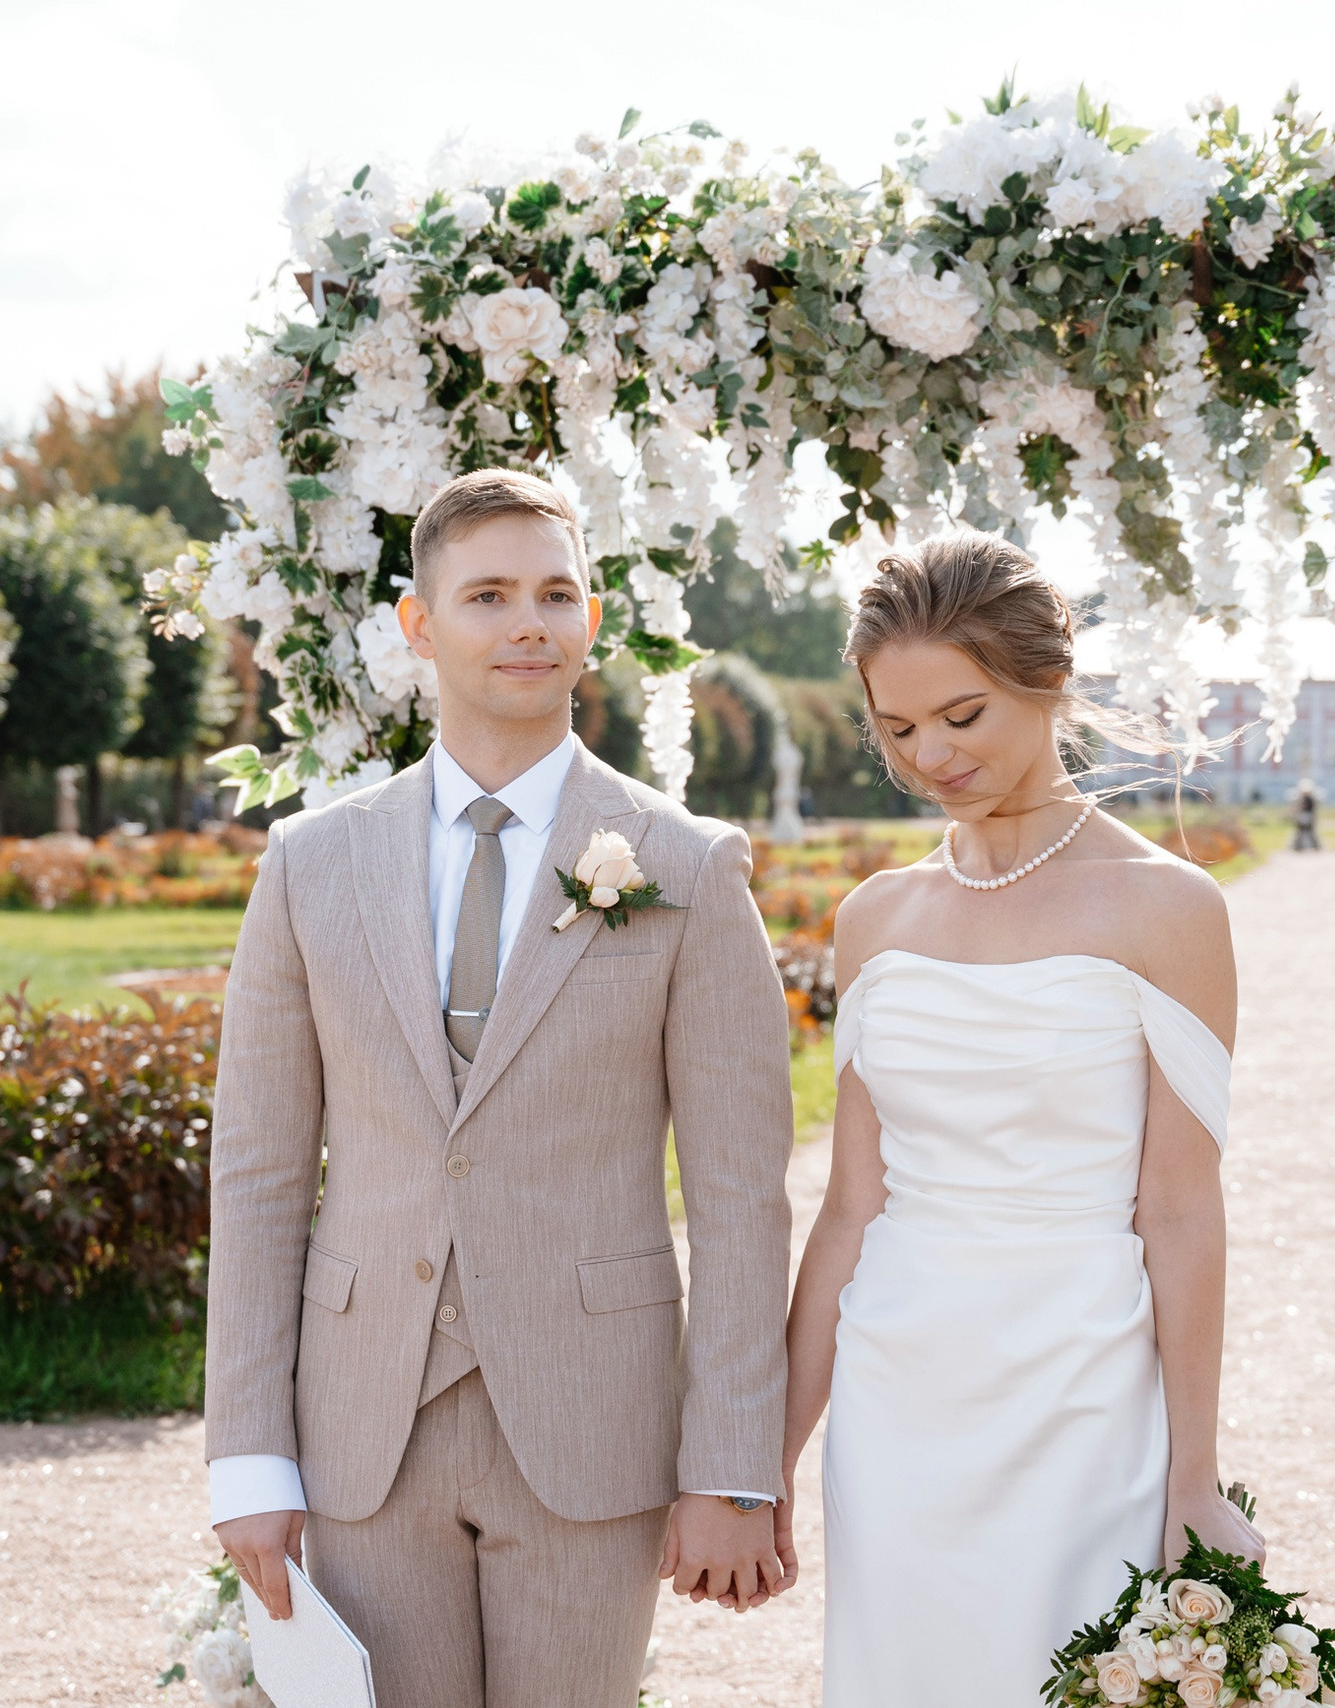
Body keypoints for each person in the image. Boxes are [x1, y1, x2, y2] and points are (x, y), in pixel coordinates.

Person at [203, 469, 796, 1708]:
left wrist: (733, 1466)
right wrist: (246, 1457)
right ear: (419, 627)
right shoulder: (312, 865)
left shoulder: (685, 867)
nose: (528, 622)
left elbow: (743, 1194)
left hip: (594, 1424)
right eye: (486, 595)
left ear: (590, 623)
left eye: (556, 593)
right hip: (363, 1428)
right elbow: (258, 1176)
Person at [780, 533, 1259, 1706]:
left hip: (1081, 1388)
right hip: (896, 1399)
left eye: (961, 715)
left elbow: (1182, 1208)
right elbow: (848, 1208)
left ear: (1046, 683)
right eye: (896, 730)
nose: (929, 755)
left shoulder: (1167, 907)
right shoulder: (875, 917)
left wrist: (1191, 1478)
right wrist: (767, 1456)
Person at [1289, 777, 1322, 851]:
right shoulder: (1303, 799)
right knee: (1300, 832)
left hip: (1308, 817)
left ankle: (1315, 846)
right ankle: (1297, 846)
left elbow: (1310, 809)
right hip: (1303, 817)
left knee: (1310, 832)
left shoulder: (1310, 800)